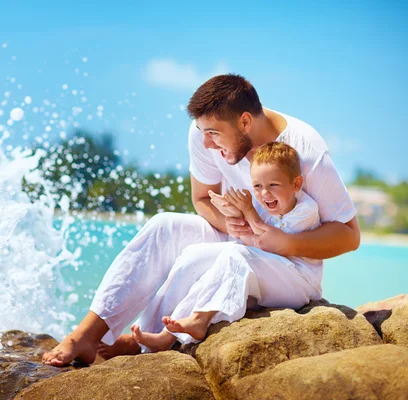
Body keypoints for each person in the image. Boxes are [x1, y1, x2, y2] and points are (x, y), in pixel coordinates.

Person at [42, 74, 359, 367]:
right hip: (243, 240)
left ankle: (145, 343)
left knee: (231, 255)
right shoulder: (204, 133)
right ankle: (90, 334)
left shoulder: (306, 148)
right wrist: (230, 223)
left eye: (214, 134)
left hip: (286, 262)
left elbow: (349, 234)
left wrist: (283, 242)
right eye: (203, 132)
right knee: (165, 225)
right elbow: (202, 199)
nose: (207, 143)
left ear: (245, 121)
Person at [129, 141, 323, 351]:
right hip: (270, 274)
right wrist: (233, 214)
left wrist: (247, 211)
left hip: (298, 282)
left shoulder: (306, 210)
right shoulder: (269, 202)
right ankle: (156, 335)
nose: (264, 193)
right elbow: (250, 240)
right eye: (257, 186)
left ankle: (198, 321)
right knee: (194, 256)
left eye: (273, 185)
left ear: (295, 184)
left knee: (235, 254)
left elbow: (267, 244)